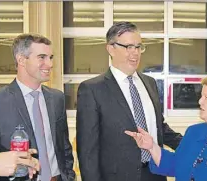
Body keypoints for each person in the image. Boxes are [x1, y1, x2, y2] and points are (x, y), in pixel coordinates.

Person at [76, 21, 182, 181]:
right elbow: (87, 150)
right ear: (110, 48)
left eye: (139, 47)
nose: (135, 53)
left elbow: (159, 127)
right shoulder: (92, 89)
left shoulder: (150, 83)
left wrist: (191, 145)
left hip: (155, 173)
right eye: (128, 47)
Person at [0, 33, 75, 181]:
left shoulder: (57, 98)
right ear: (21, 59)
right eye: (42, 57)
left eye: (50, 57)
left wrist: (69, 176)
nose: (50, 64)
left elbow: (64, 147)